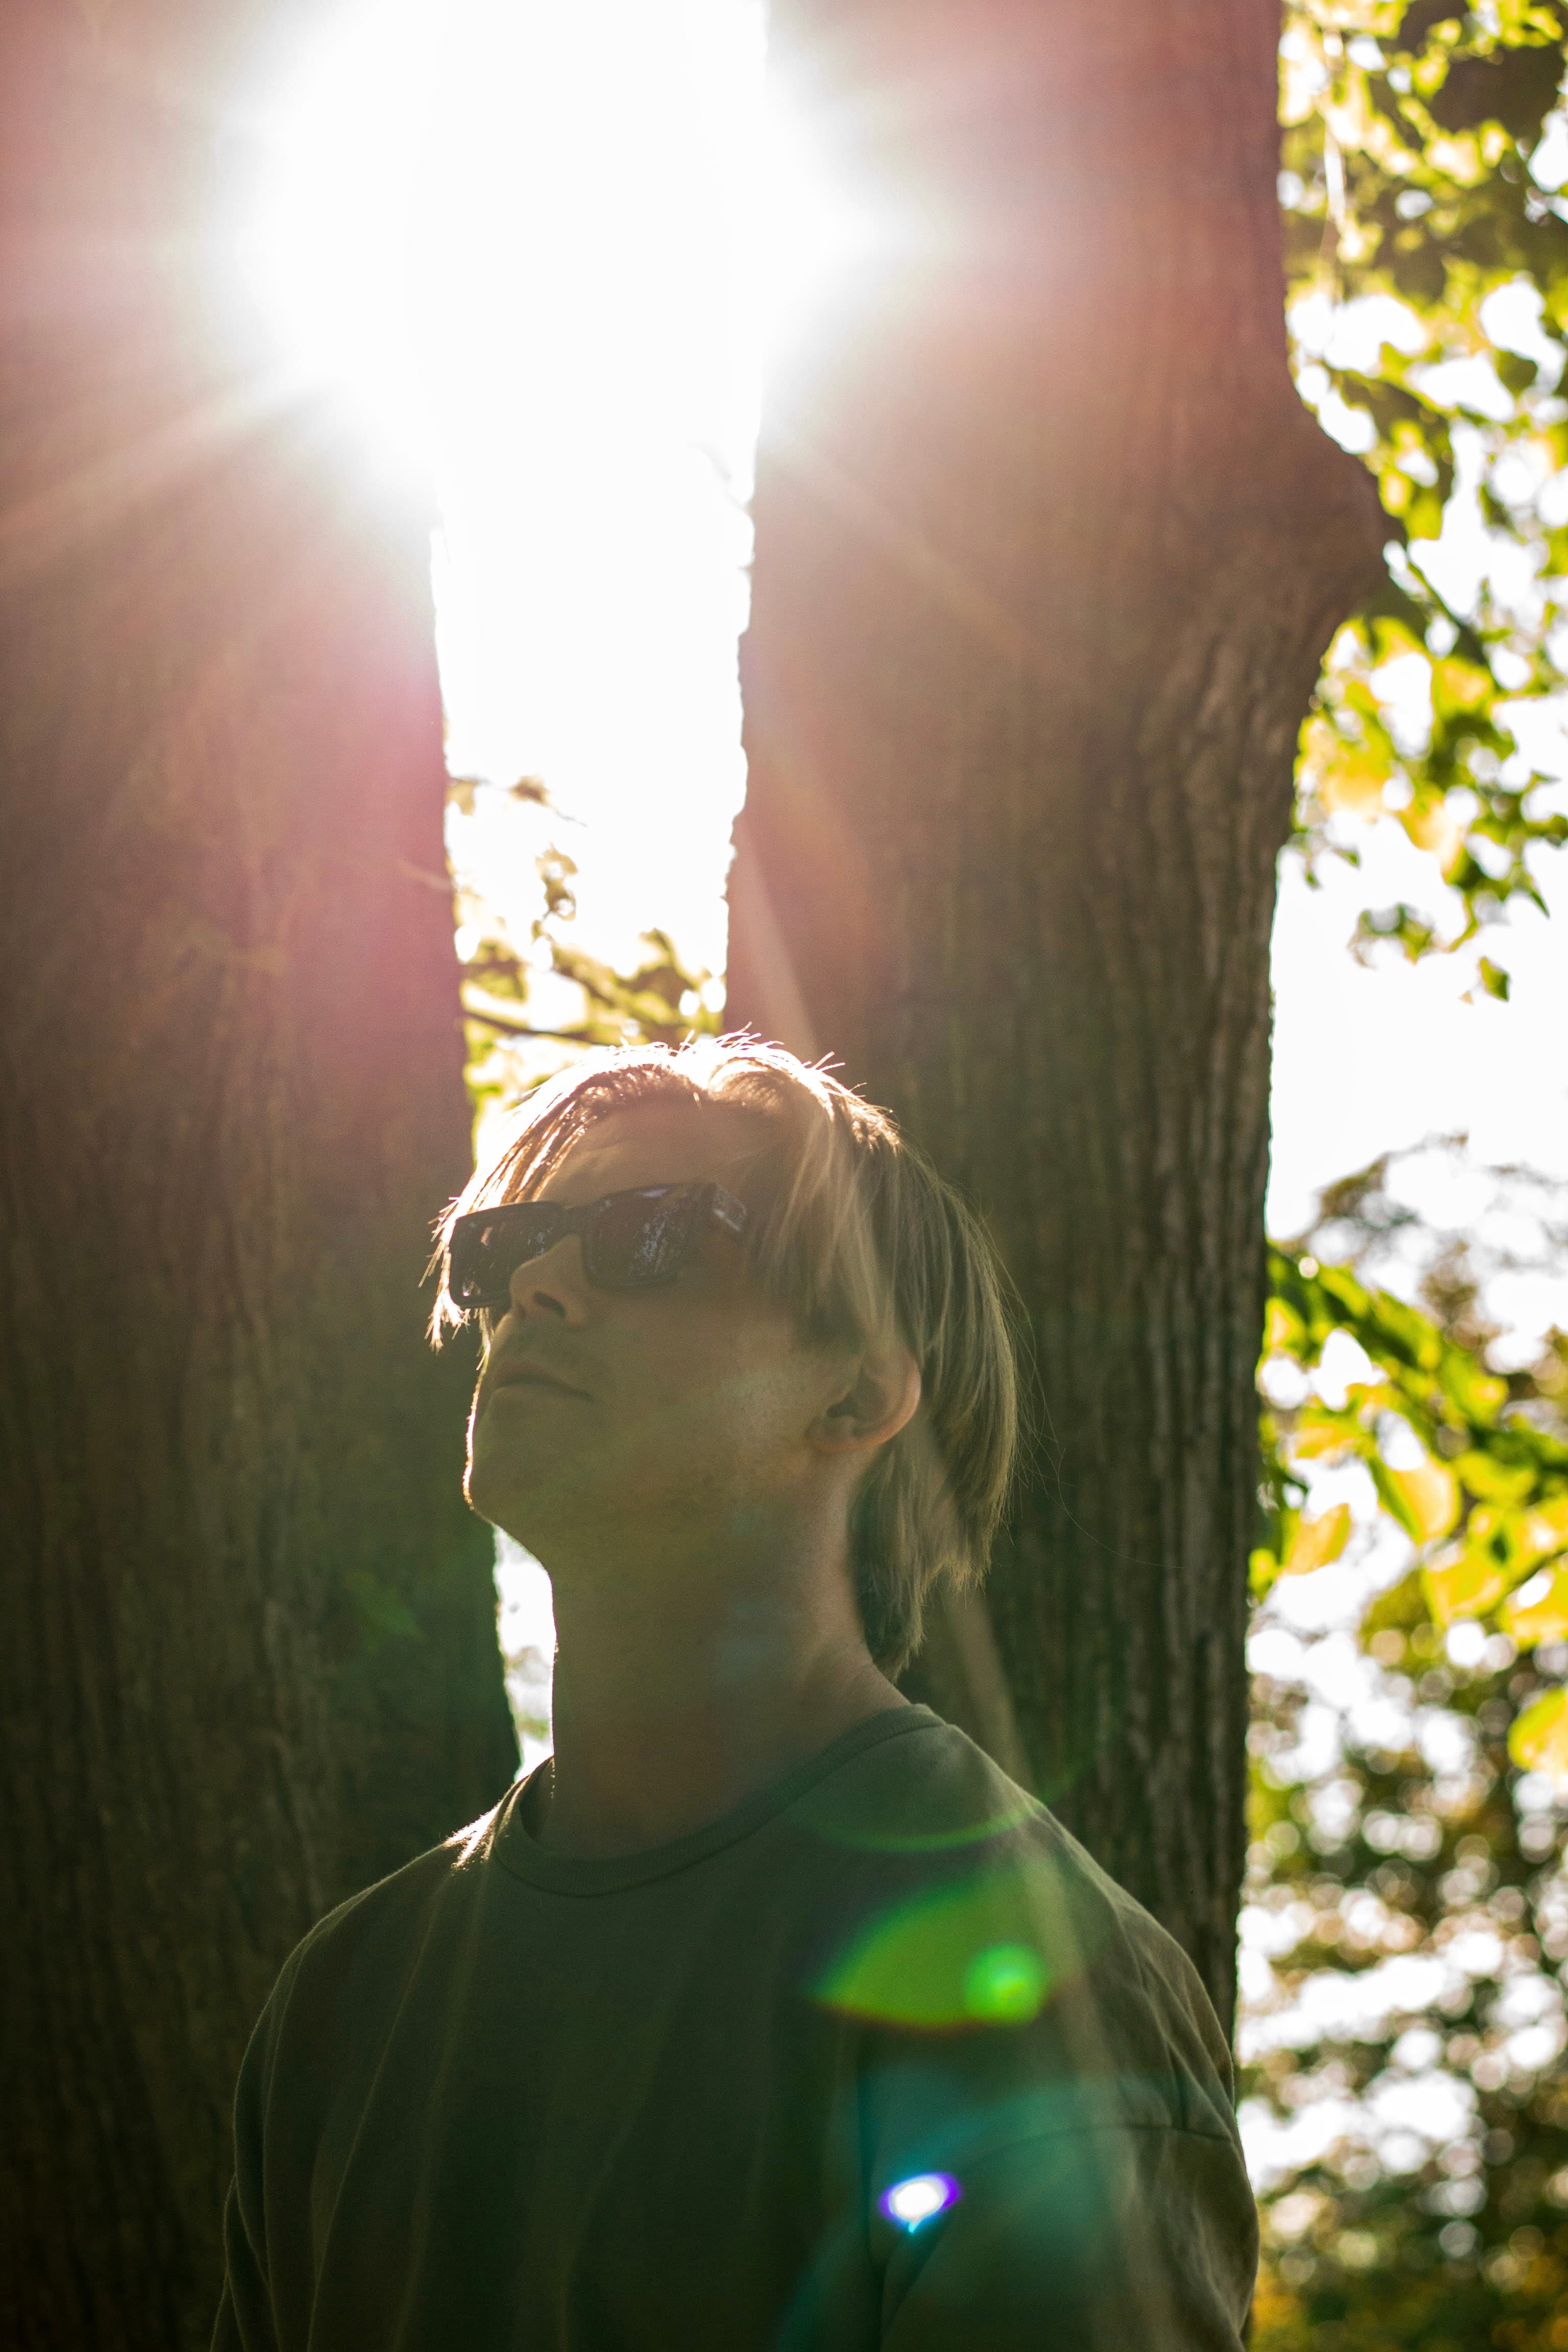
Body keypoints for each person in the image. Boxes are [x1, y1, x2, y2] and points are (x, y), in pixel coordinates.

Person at [212, 1036, 1258, 2349]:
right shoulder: (346, 1995)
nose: (536, 1286)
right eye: (508, 1247)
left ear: (860, 1390)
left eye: (647, 1238)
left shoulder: (1033, 1988)